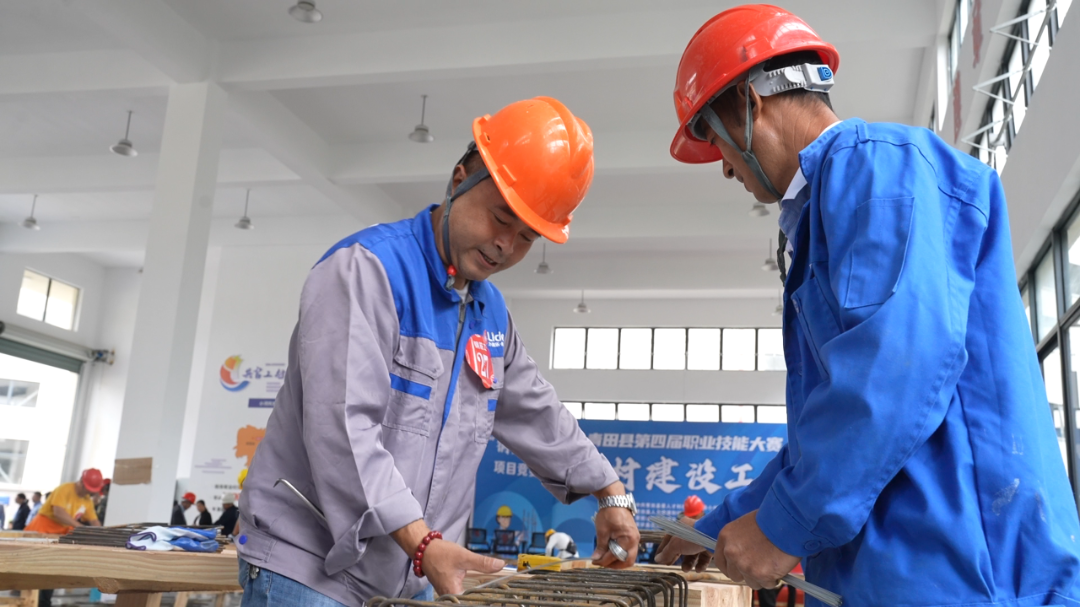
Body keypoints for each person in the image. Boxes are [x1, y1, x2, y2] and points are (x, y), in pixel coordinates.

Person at [654, 5, 1080, 606]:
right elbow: (829, 426)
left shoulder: (880, 167)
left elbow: (896, 368)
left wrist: (783, 526)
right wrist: (725, 518)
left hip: (966, 574)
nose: (724, 169)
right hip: (910, 573)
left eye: (718, 144)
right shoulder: (834, 206)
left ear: (751, 107)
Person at [236, 96, 639, 607]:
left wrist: (611, 492)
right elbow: (343, 429)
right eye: (500, 217)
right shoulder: (366, 272)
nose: (504, 246)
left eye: (526, 237)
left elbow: (540, 414)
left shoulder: (489, 314)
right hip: (309, 570)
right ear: (459, 178)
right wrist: (423, 542)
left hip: (411, 578)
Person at [25, 469, 103, 534]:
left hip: (62, 532)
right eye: (88, 490)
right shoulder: (64, 489)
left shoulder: (87, 500)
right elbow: (58, 513)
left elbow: (93, 520)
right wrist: (80, 527)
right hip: (42, 528)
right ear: (81, 482)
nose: (89, 493)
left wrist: (100, 533)